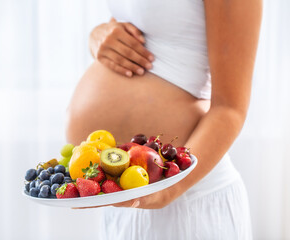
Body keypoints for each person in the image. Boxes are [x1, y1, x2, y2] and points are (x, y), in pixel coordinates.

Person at [65, 0, 262, 239]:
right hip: (127, 199)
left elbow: (230, 108)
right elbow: (148, 25)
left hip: (187, 202)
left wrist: (171, 190)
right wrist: (98, 36)